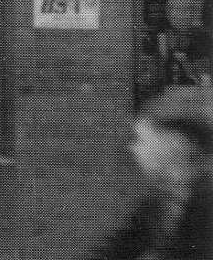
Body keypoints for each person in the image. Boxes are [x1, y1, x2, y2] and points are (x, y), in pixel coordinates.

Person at [90, 86, 212, 260]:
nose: (133, 149)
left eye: (141, 140)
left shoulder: (206, 201)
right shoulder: (161, 198)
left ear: (176, 143)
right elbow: (122, 244)